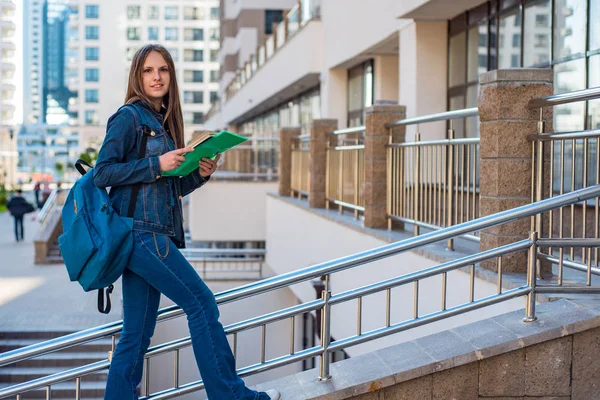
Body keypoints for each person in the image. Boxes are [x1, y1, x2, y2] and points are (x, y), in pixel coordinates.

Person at [93, 44, 280, 400]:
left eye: (163, 69)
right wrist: (156, 164)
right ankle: (230, 396)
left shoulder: (163, 123)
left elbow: (169, 188)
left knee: (136, 334)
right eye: (148, 70)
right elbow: (103, 172)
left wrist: (200, 173)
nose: (157, 76)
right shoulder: (129, 117)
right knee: (201, 303)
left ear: (171, 76)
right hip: (142, 235)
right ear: (137, 76)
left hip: (150, 235)